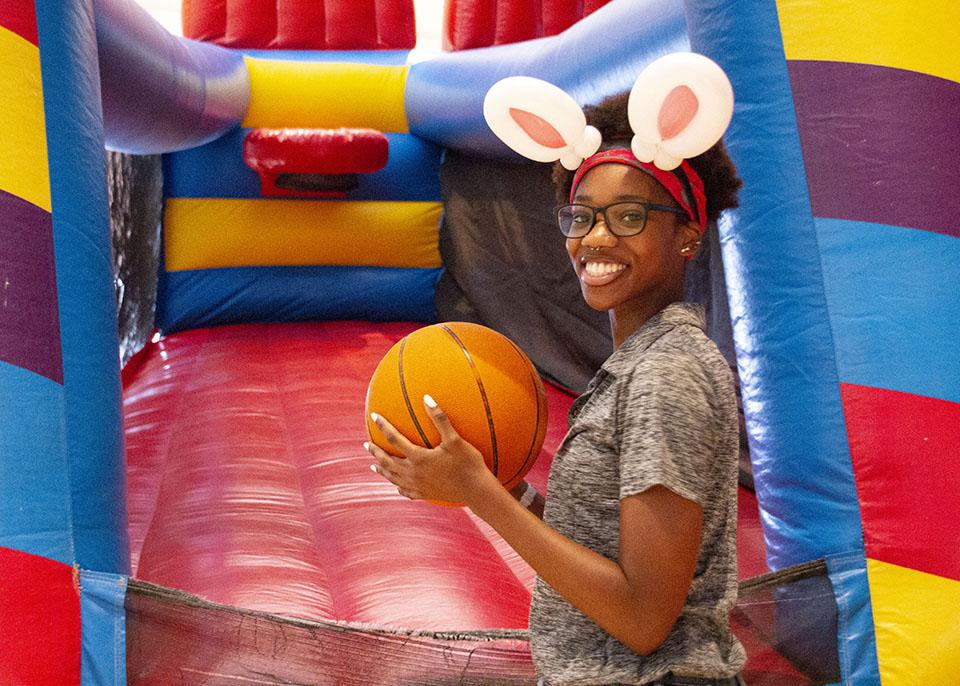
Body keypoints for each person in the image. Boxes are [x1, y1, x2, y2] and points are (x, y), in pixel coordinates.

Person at [365, 73, 746, 685]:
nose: (595, 237)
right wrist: (501, 487)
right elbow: (598, 556)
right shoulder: (636, 363)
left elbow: (644, 617)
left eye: (628, 216)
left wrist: (483, 497)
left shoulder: (668, 372)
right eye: (583, 216)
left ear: (687, 236)